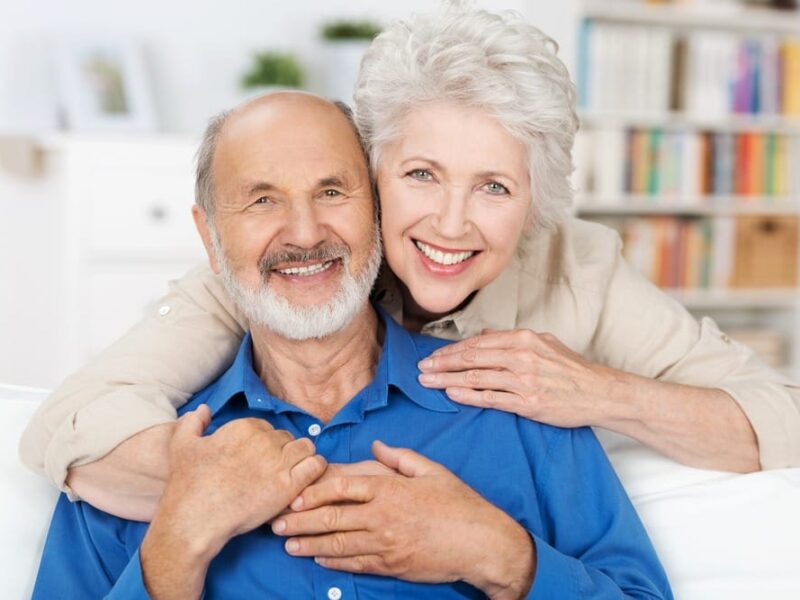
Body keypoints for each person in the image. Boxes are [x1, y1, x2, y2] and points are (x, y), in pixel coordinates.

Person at [21, 3, 800, 521]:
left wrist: (605, 393)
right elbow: (74, 420)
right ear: (368, 172)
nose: (451, 224)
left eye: (494, 186)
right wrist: (271, 484)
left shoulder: (578, 265)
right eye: (421, 175)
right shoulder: (295, 266)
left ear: (534, 200)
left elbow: (781, 421)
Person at [32, 92, 672, 599]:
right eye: (262, 200)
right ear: (210, 238)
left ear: (377, 211)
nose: (305, 232)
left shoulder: (519, 405)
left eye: (332, 192)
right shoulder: (130, 466)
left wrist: (499, 555)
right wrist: (175, 548)